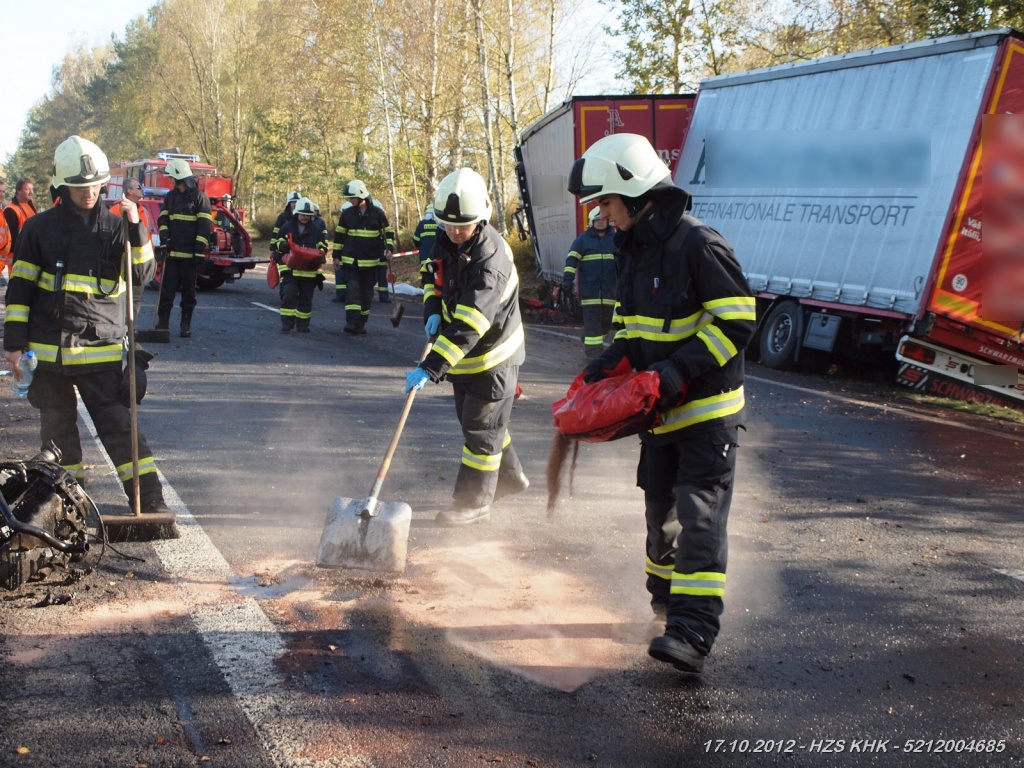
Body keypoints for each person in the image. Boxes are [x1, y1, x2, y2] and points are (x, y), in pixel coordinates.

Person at [567, 133, 756, 675]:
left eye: (605, 202)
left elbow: (737, 320)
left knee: (700, 519)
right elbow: (633, 324)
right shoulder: (634, 248)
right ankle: (666, 609)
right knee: (660, 519)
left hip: (707, 415)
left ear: (633, 191)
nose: (602, 214)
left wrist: (677, 370)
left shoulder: (698, 245)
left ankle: (693, 631)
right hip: (661, 415)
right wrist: (611, 360)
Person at [3, 135, 169, 514]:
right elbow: (20, 291)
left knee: (121, 430)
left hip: (101, 352)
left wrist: (136, 228)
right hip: (50, 357)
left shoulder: (116, 229)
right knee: (59, 438)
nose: (89, 193)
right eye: (80, 187)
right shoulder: (38, 229)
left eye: (94, 186)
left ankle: (152, 502)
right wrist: (13, 345)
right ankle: (65, 511)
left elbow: (142, 273)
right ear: (64, 186)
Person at [404, 168, 529, 526]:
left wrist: (431, 367)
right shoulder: (447, 238)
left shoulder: (492, 262)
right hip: (465, 360)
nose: (455, 232)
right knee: (477, 424)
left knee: (481, 429)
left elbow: (472, 323)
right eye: (447, 225)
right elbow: (432, 277)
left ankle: (472, 504)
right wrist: (431, 310)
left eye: (463, 226)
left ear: (482, 218)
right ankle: (511, 477)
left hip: (493, 358)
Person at [157, 159, 212, 338]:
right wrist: (164, 240)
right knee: (166, 291)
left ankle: (185, 325)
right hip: (172, 254)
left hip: (190, 256)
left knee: (188, 293)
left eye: (172, 178)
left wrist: (198, 250)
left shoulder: (200, 198)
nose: (170, 181)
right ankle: (162, 324)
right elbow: (163, 220)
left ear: (180, 176)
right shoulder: (170, 197)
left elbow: (204, 226)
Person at [333, 179, 394, 334]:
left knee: (367, 295)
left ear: (361, 197)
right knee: (352, 292)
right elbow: (339, 237)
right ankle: (352, 322)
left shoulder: (378, 214)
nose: (350, 201)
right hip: (350, 262)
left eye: (352, 198)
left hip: (370, 263)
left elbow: (388, 233)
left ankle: (361, 323)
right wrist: (336, 257)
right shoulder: (347, 214)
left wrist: (389, 248)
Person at [563, 206, 618, 358]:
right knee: (594, 328)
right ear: (591, 222)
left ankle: (588, 337)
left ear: (608, 222)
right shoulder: (582, 240)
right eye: (597, 220)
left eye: (603, 220)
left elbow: (626, 261)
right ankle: (594, 359)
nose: (600, 223)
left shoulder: (616, 239)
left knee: (607, 325)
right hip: (590, 294)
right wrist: (567, 280)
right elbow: (571, 260)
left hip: (610, 293)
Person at [272, 197, 328, 332]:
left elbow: (322, 245)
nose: (305, 217)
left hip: (308, 271)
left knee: (306, 299)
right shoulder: (287, 227)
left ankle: (303, 324)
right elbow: (277, 242)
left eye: (308, 215)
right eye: (302, 214)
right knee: (289, 295)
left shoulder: (316, 229)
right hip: (290, 269)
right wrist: (282, 245)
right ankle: (287, 324)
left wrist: (321, 255)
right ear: (296, 213)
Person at [110, 179, 154, 321]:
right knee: (120, 300)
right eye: (139, 186)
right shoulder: (116, 210)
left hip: (139, 264)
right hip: (122, 266)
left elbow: (146, 235)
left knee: (135, 300)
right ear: (129, 190)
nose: (142, 189)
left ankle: (130, 331)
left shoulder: (143, 211)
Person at [3, 177, 38, 252]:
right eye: (27, 189)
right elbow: (11, 239)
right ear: (18, 191)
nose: (31, 192)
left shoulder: (31, 206)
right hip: (16, 255)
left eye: (32, 189)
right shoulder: (10, 210)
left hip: (30, 250)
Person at [414, 205, 438, 289]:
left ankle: (425, 290)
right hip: (437, 257)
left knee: (426, 276)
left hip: (424, 256)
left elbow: (416, 239)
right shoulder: (439, 225)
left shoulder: (421, 224)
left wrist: (418, 246)